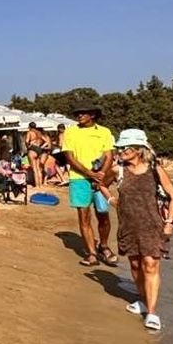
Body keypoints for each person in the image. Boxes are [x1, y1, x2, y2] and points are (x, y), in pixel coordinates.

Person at [101, 129, 173, 330]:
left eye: (125, 147)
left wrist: (169, 222)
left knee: (150, 265)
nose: (121, 151)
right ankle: (143, 300)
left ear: (138, 149)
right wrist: (112, 200)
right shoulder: (117, 170)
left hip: (153, 226)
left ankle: (152, 312)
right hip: (128, 225)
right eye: (120, 147)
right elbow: (101, 184)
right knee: (135, 266)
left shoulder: (155, 170)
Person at [62, 104, 116, 267]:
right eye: (77, 113)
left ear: (92, 115)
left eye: (82, 113)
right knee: (84, 216)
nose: (79, 116)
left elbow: (109, 154)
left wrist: (100, 174)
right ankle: (91, 253)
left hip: (100, 179)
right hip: (78, 178)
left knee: (103, 214)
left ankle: (104, 246)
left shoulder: (104, 132)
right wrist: (88, 173)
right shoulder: (71, 131)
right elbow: (69, 156)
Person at [24, 122, 50, 188]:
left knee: (34, 169)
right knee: (38, 169)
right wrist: (41, 147)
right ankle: (40, 185)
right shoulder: (39, 133)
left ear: (29, 127)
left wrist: (28, 147)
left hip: (32, 149)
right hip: (38, 149)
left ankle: (36, 185)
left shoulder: (29, 132)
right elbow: (46, 142)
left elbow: (27, 141)